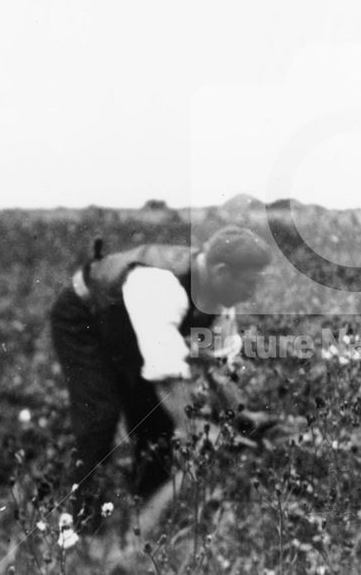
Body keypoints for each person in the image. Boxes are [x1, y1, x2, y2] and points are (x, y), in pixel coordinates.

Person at [49, 226, 273, 530]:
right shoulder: (162, 285)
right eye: (250, 283)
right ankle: (77, 531)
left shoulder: (219, 300)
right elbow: (166, 375)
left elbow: (219, 366)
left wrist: (239, 414)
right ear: (221, 271)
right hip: (86, 319)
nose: (254, 292)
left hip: (134, 330)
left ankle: (145, 525)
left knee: (156, 427)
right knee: (99, 419)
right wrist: (199, 429)